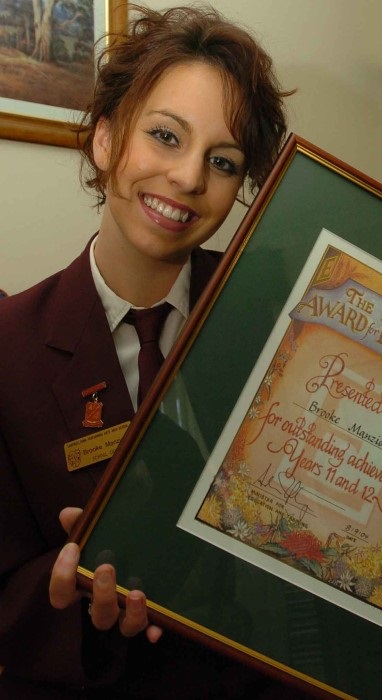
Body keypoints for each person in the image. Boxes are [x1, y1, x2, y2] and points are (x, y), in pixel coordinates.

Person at [0, 5, 315, 698]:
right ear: (107, 141)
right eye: (166, 136)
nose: (188, 178)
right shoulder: (9, 347)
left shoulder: (286, 321)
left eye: (223, 160)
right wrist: (73, 596)